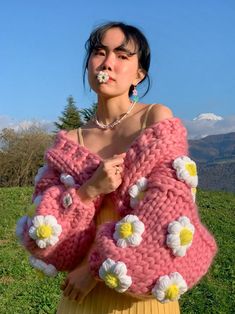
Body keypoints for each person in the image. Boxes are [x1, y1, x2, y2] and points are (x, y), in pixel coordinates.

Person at [16, 21, 217, 314]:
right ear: (89, 64)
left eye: (122, 56)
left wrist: (93, 271)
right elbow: (43, 234)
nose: (108, 63)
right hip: (80, 303)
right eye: (100, 52)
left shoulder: (155, 120)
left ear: (139, 73)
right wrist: (88, 190)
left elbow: (168, 214)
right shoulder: (68, 144)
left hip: (138, 300)